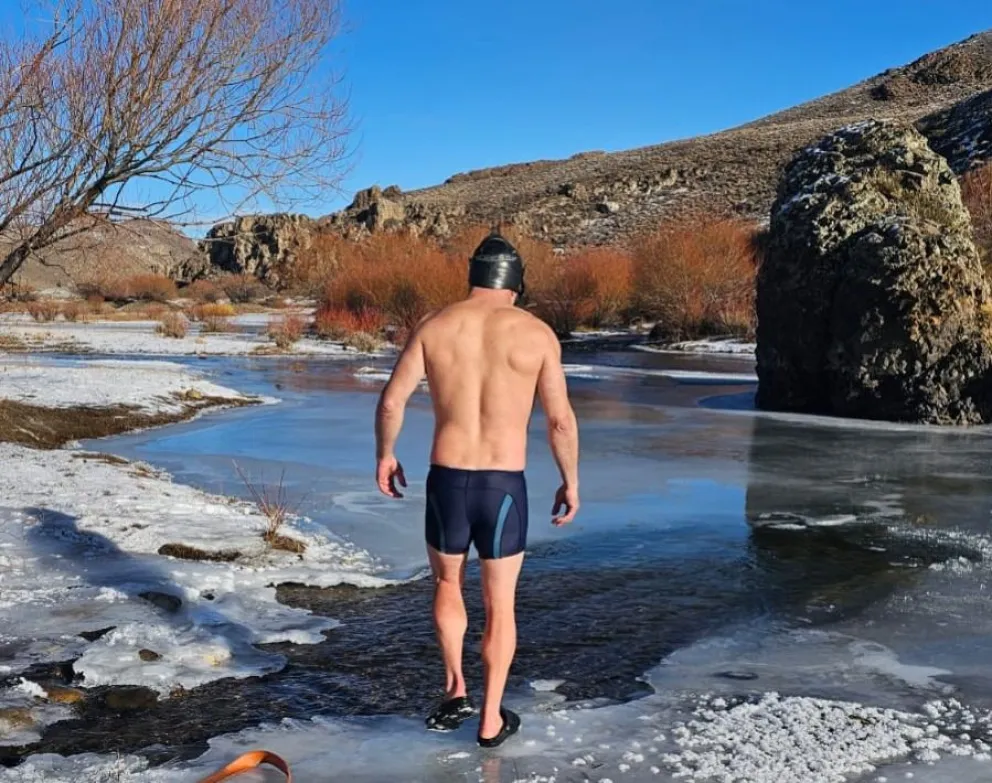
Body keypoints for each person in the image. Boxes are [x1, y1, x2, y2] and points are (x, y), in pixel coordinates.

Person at [373, 230, 580, 748]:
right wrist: (570, 481)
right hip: (504, 486)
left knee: (447, 586)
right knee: (500, 603)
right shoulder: (535, 334)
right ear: (515, 285)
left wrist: (386, 454)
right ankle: (490, 718)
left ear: (473, 277)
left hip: (447, 479)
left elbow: (392, 401)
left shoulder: (435, 325)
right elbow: (559, 422)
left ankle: (454, 688)